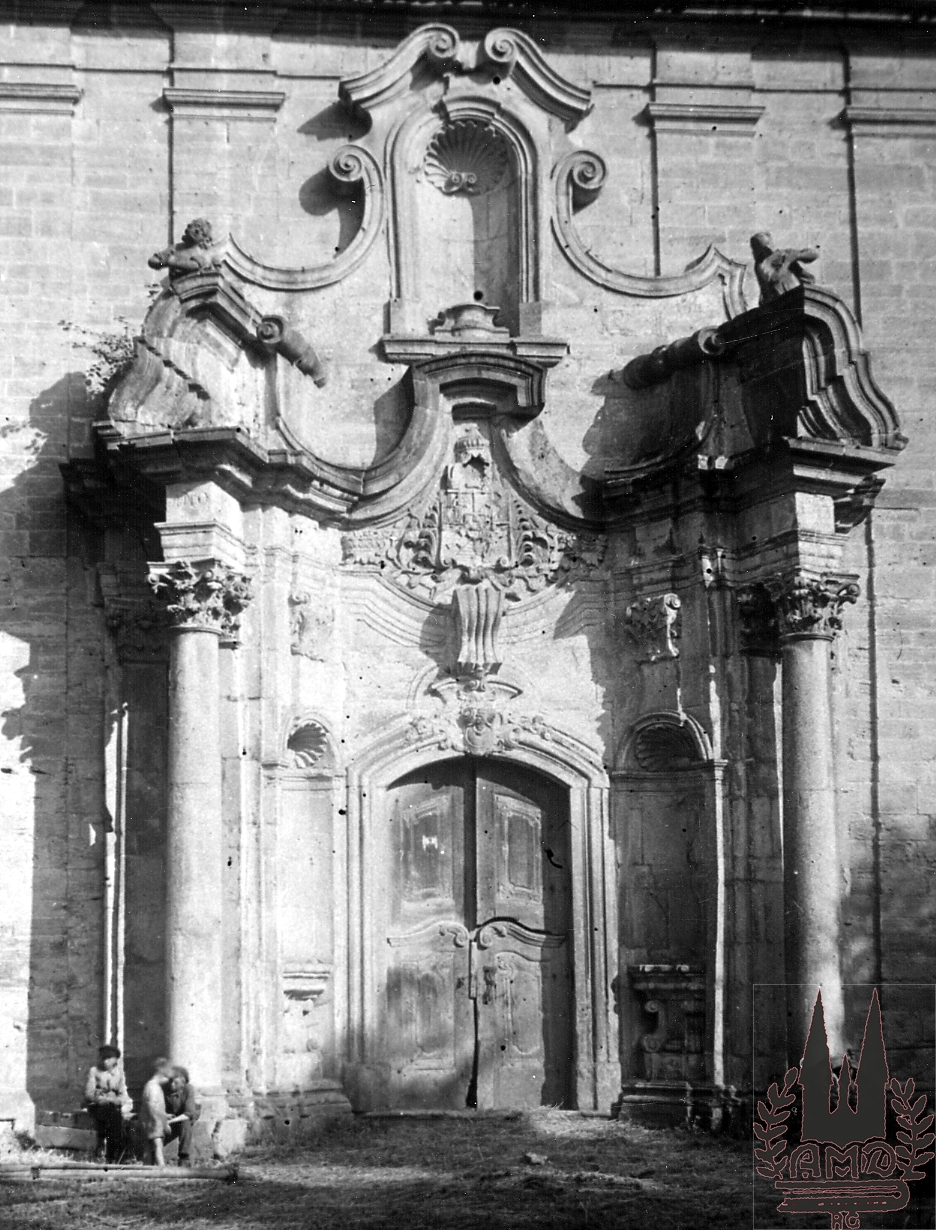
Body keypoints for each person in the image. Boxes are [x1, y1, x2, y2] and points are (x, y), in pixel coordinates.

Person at [84, 1044, 132, 1163]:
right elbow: (89, 1094)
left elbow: (123, 1094)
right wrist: (102, 1099)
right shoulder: (94, 1071)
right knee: (114, 1117)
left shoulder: (119, 1073)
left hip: (113, 1106)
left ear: (115, 1060)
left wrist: (115, 1100)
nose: (105, 1061)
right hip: (98, 1106)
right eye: (103, 1058)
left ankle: (113, 1155)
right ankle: (113, 1156)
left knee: (115, 1117)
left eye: (109, 1058)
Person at [139, 1057, 175, 1167]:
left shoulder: (153, 1086)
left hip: (151, 1121)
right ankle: (161, 1166)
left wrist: (165, 1116)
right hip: (154, 1122)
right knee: (157, 1145)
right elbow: (152, 1107)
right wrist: (164, 1121)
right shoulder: (153, 1087)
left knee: (149, 1147)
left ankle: (147, 1166)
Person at [163, 1066, 200, 1167]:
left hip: (185, 1117)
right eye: (171, 1081)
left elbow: (189, 1113)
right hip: (172, 1116)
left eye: (176, 1083)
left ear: (183, 1083)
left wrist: (170, 1122)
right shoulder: (165, 1089)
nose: (172, 1084)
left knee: (186, 1124)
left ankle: (184, 1157)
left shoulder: (188, 1089)